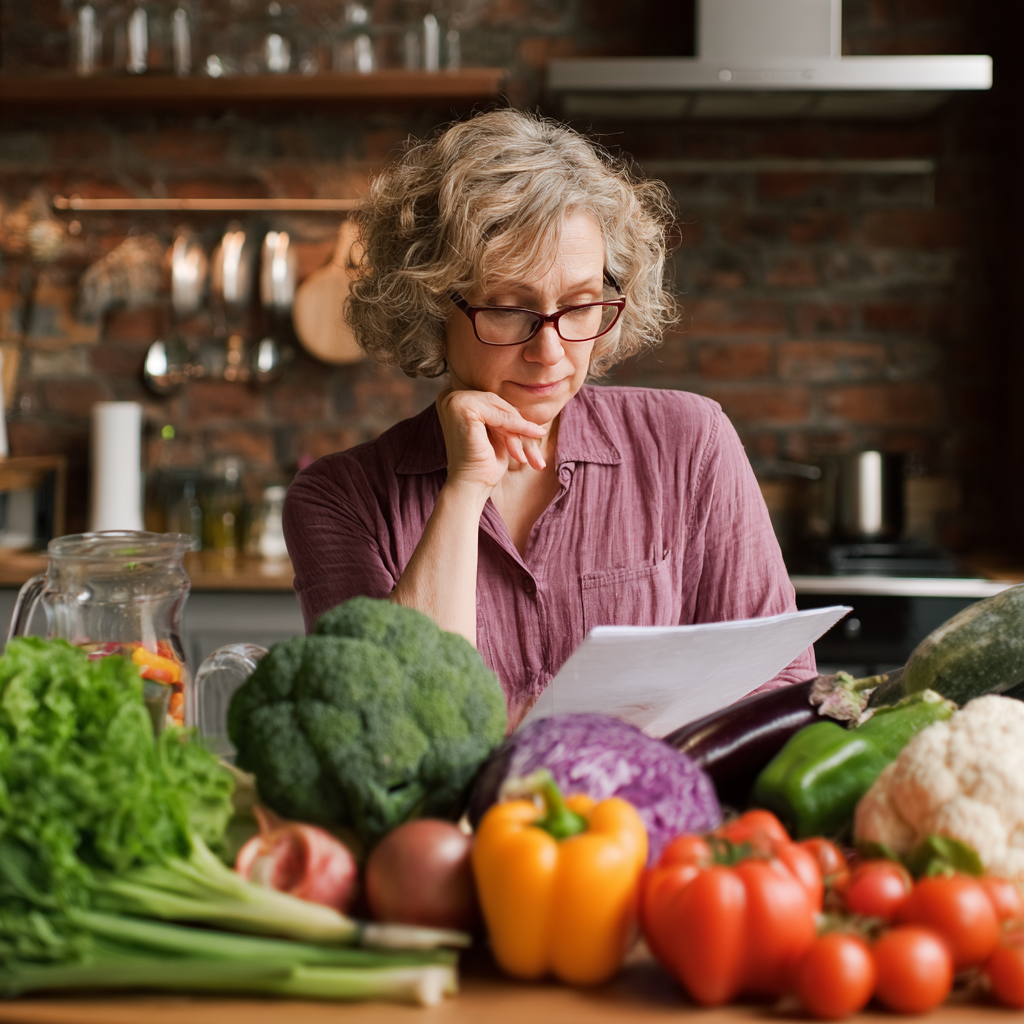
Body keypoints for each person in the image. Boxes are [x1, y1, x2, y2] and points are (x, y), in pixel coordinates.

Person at [283, 109, 815, 729]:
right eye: (509, 309)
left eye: (581, 305)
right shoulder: (338, 501)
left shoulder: (689, 441)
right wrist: (462, 492)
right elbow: (387, 734)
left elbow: (781, 684)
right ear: (430, 305)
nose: (551, 352)